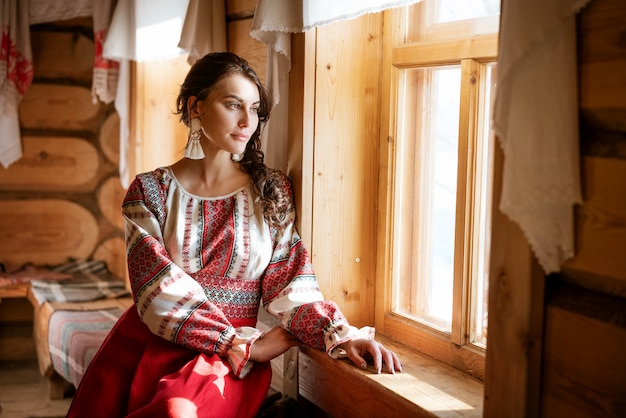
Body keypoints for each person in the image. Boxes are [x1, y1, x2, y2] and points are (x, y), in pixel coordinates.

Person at [67, 52, 401, 418]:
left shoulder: (271, 191)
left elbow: (291, 284)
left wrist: (341, 335)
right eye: (233, 105)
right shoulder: (150, 191)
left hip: (227, 361)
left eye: (255, 109)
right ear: (196, 107)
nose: (248, 121)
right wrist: (238, 343)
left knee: (175, 412)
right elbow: (154, 289)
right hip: (152, 343)